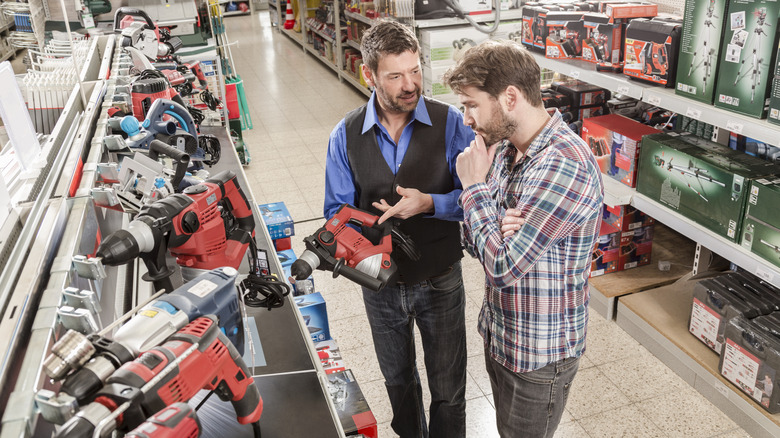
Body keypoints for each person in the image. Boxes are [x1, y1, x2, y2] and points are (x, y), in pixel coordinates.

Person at [443, 40, 604, 438]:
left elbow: (501, 266)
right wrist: (495, 224)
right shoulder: (505, 150)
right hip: (501, 334)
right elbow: (472, 238)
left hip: (539, 356)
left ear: (510, 97)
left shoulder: (564, 164)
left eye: (471, 104)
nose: (466, 118)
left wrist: (474, 190)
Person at [323, 19, 475, 438]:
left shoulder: (451, 125)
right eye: (395, 76)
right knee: (398, 382)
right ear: (369, 75)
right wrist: (364, 239)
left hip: (440, 277)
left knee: (449, 388)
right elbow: (335, 211)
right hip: (380, 285)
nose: (410, 85)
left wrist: (430, 203)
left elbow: (480, 198)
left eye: (415, 71)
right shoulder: (346, 134)